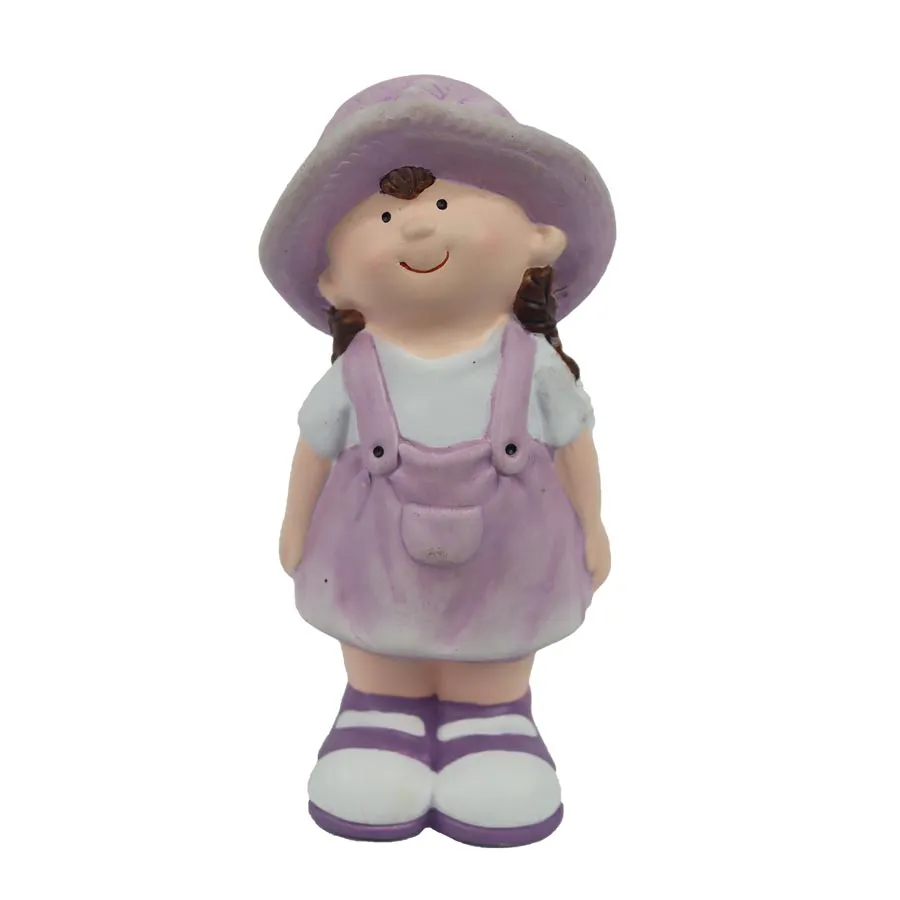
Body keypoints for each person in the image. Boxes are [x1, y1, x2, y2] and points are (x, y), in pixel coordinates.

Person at [259, 74, 616, 847]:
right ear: (333, 280)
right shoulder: (356, 372)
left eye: (446, 206)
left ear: (538, 241)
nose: (417, 230)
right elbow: (313, 451)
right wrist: (293, 527)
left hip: (511, 558)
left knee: (496, 654)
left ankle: (494, 725)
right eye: (385, 217)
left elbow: (575, 448)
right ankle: (377, 718)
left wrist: (593, 526)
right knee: (377, 648)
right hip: (371, 555)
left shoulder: (535, 366)